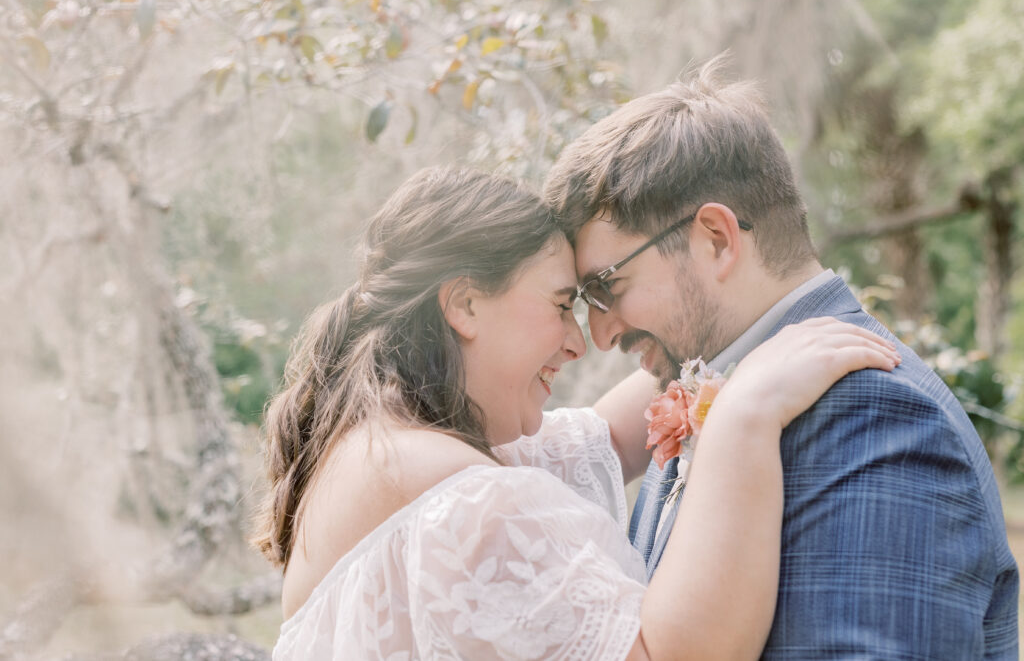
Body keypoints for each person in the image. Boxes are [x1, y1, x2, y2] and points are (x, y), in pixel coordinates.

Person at [254, 166, 899, 660]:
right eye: (563, 304)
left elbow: (608, 435)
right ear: (466, 305)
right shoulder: (464, 504)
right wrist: (747, 416)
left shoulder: (388, 450)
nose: (579, 339)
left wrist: (743, 313)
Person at [543, 56, 1019, 658]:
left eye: (606, 287)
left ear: (715, 238)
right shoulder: (711, 383)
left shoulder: (881, 420)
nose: (602, 333)